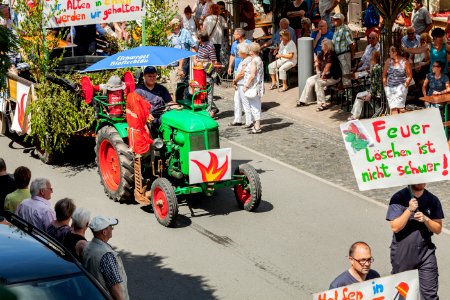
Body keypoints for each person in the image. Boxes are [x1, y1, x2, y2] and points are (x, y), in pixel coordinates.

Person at [386, 184, 444, 299]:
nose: (421, 181)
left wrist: (426, 219)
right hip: (403, 253)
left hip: (426, 253)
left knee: (430, 294)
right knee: (403, 295)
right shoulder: (398, 198)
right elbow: (395, 227)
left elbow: (438, 229)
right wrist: (409, 210)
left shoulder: (433, 199)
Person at [83, 215, 129, 300]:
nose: (112, 229)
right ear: (104, 232)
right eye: (110, 227)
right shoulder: (106, 255)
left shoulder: (87, 247)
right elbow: (115, 286)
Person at [297, 38, 341, 110]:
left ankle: (323, 104)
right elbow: (317, 59)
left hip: (333, 77)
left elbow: (328, 66)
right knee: (309, 80)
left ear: (327, 46)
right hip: (324, 75)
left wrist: (322, 75)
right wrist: (317, 65)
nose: (321, 47)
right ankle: (303, 100)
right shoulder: (323, 53)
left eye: (322, 45)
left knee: (318, 83)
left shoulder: (331, 54)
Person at [167, 17, 197, 95]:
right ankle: (179, 98)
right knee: (174, 82)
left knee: (183, 80)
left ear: (178, 25)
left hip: (184, 59)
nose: (173, 26)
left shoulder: (185, 32)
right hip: (173, 61)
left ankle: (184, 98)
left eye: (175, 24)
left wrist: (194, 59)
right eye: (172, 24)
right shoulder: (170, 35)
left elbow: (193, 45)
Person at [348, 51, 382, 120]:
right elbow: (376, 79)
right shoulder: (380, 66)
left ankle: (355, 115)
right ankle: (378, 110)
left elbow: (374, 83)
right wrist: (369, 72)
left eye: (371, 58)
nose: (370, 60)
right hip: (380, 91)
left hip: (376, 91)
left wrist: (370, 93)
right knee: (365, 94)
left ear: (374, 59)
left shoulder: (375, 68)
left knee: (359, 95)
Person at [194, 30, 218, 118]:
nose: (197, 39)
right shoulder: (200, 45)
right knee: (203, 93)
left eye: (198, 38)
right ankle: (213, 108)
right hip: (200, 73)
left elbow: (213, 61)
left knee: (209, 93)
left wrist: (202, 61)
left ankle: (208, 112)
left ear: (201, 39)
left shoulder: (210, 46)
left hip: (208, 73)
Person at [382, 46, 413, 114]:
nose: (389, 53)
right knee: (393, 109)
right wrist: (385, 86)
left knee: (400, 108)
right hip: (390, 87)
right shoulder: (388, 61)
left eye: (390, 51)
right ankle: (396, 123)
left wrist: (404, 86)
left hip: (400, 87)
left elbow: (409, 76)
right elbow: (384, 74)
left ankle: (403, 123)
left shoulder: (405, 62)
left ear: (395, 53)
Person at [243, 42, 264, 134]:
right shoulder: (258, 59)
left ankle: (257, 126)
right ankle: (256, 125)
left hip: (253, 86)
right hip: (258, 86)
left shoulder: (254, 61)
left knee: (254, 106)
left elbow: (252, 75)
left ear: (251, 51)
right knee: (256, 105)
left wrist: (246, 85)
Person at [231, 43, 252, 127]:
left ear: (243, 52)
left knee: (245, 102)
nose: (238, 53)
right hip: (240, 83)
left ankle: (249, 121)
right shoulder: (244, 60)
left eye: (239, 52)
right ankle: (237, 119)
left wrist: (235, 80)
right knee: (237, 101)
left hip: (242, 83)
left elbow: (242, 73)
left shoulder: (247, 60)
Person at [332, 13, 354, 86]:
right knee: (340, 75)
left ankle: (349, 96)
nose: (333, 20)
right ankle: (344, 95)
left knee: (346, 76)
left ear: (341, 20)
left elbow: (351, 43)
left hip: (344, 55)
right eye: (333, 19)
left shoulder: (345, 29)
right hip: (337, 56)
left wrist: (353, 55)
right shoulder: (336, 29)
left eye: (336, 19)